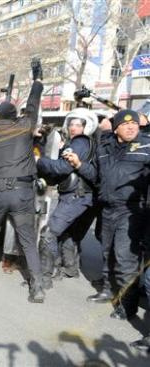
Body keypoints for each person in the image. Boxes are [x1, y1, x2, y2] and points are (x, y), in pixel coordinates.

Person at [0, 61, 46, 304]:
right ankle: (37, 288)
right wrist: (37, 81)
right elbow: (33, 104)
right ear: (16, 116)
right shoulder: (25, 127)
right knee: (27, 239)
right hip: (23, 193)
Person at [65, 110, 149, 319]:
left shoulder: (147, 146)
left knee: (124, 258)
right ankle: (108, 290)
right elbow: (97, 177)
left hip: (132, 210)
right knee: (107, 252)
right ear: (116, 127)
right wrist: (79, 165)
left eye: (135, 125)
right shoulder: (104, 147)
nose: (131, 128)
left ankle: (127, 305)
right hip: (107, 207)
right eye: (126, 125)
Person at [36, 109, 98, 288]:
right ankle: (70, 268)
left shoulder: (79, 142)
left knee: (49, 234)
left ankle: (44, 278)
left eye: (78, 124)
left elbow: (62, 168)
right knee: (68, 233)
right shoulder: (87, 143)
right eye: (71, 123)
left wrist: (39, 161)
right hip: (81, 196)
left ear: (87, 127)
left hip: (75, 196)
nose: (73, 127)